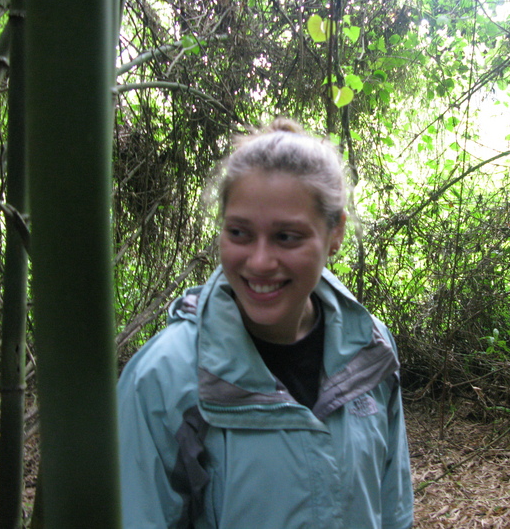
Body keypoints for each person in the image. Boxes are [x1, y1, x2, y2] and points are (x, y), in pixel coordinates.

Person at [117, 118, 414, 528]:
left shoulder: (369, 349)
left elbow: (393, 511)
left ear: (335, 233)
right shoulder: (163, 379)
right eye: (239, 233)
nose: (259, 262)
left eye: (286, 237)